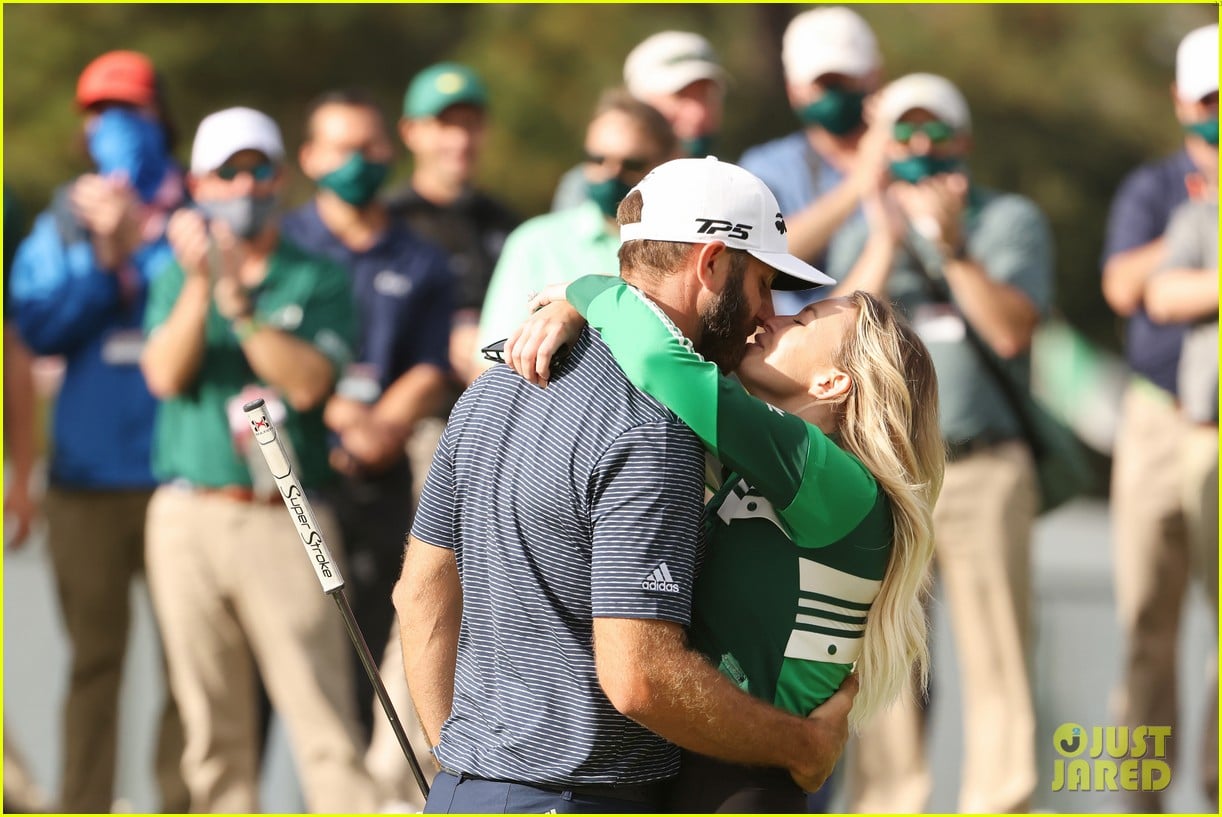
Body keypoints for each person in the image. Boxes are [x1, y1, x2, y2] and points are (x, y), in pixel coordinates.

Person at [394, 156, 857, 814]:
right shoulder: (655, 426)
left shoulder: (488, 390)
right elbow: (638, 677)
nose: (765, 313)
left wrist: (460, 758)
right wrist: (800, 743)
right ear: (711, 264)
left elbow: (421, 592)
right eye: (762, 282)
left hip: (465, 794)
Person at [506, 177, 945, 812]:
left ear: (832, 381)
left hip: (742, 784)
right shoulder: (778, 462)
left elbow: (665, 366)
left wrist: (593, 291)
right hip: (698, 762)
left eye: (808, 316)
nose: (773, 316)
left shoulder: (833, 478)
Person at [826, 74, 1053, 813]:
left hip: (983, 463)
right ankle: (888, 802)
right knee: (885, 649)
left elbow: (1011, 329)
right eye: (904, 133)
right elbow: (835, 338)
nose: (920, 148)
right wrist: (889, 238)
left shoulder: (1009, 219)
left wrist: (953, 248)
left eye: (934, 132)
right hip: (890, 469)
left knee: (998, 649)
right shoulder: (864, 225)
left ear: (963, 140)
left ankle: (1002, 798)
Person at [139, 106, 377, 813]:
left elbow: (306, 382)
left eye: (258, 169)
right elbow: (164, 374)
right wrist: (198, 285)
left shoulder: (318, 274)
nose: (245, 186)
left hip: (287, 511)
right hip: (188, 510)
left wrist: (241, 310)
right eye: (228, 172)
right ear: (198, 184)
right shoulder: (171, 272)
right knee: (210, 728)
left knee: (323, 716)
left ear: (280, 178)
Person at [7, 50, 189, 814]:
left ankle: (185, 802)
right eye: (98, 113)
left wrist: (142, 249)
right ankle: (85, 805)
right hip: (84, 479)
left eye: (129, 110)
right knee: (95, 664)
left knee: (193, 666)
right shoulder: (60, 220)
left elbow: (209, 305)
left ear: (158, 118)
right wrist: (106, 263)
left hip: (177, 476)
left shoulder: (196, 204)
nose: (112, 128)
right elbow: (35, 324)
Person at [281, 89, 454, 748]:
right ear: (311, 157)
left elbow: (433, 364)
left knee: (382, 638)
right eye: (342, 148)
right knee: (300, 655)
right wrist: (343, 414)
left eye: (369, 146)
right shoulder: (287, 245)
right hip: (299, 475)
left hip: (388, 475)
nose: (358, 161)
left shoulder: (419, 254)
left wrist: (380, 424)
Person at [1101, 23, 1219, 812]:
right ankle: (1136, 799)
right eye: (1209, 100)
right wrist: (1198, 226)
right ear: (1181, 102)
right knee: (1146, 625)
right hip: (1153, 422)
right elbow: (1128, 287)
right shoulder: (1154, 187)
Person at [475, 87, 676, 367]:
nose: (610, 174)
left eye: (630, 163)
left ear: (668, 162)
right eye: (597, 159)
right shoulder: (534, 242)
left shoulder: (684, 250)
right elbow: (490, 360)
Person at [739, 6, 890, 315]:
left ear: (873, 78)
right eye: (822, 84)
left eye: (844, 81)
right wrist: (859, 184)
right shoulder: (766, 167)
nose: (833, 95)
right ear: (794, 90)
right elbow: (760, 255)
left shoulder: (910, 154)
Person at [386, 62, 520, 387]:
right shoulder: (388, 222)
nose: (460, 139)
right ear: (410, 132)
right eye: (445, 125)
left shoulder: (507, 223)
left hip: (497, 392)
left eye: (470, 124)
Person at [550, 30, 727, 211]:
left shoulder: (737, 183)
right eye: (679, 96)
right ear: (637, 104)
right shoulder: (587, 189)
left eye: (706, 97)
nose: (698, 113)